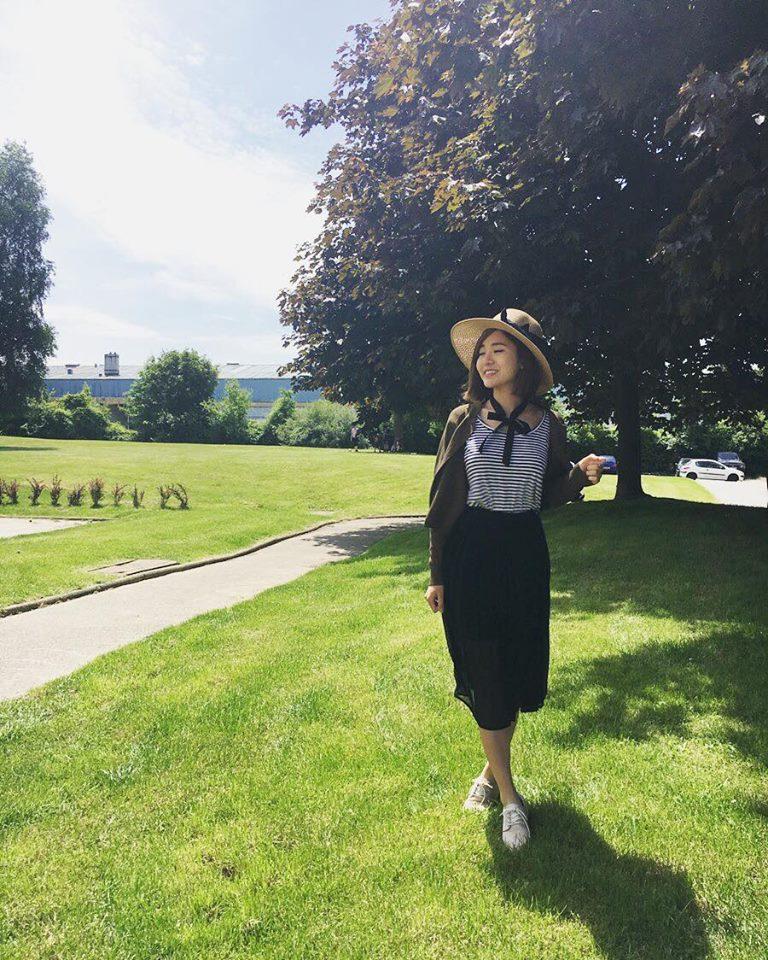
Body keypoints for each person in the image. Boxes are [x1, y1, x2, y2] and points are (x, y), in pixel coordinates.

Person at [423, 307, 605, 852]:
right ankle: (509, 798)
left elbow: (547, 493)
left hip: (524, 553)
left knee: (513, 667)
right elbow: (442, 502)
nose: (485, 360)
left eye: (497, 349)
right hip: (471, 554)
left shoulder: (549, 425)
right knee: (484, 668)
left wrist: (579, 477)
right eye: (481, 351)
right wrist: (437, 572)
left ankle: (488, 770)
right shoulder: (462, 420)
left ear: (523, 361)